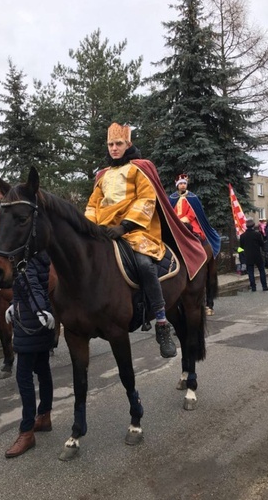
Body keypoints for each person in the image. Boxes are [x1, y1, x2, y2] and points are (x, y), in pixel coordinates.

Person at [84, 123, 206, 359]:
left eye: (118, 144)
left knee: (143, 264)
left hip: (137, 231)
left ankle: (161, 321)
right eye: (110, 144)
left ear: (128, 144)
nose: (114, 148)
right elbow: (92, 204)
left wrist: (125, 226)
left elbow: (147, 199)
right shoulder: (102, 176)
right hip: (105, 232)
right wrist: (90, 227)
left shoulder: (139, 169)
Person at [4, 251, 55, 458]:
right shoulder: (37, 255)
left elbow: (32, 287)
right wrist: (13, 305)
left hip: (31, 323)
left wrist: (39, 310)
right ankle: (44, 416)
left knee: (23, 377)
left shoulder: (26, 258)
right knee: (43, 370)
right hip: (33, 318)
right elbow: (26, 288)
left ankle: (27, 431)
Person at [169, 174, 221, 315]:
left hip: (189, 223)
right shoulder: (172, 198)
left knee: (196, 235)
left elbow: (193, 213)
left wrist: (184, 220)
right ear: (177, 185)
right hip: (176, 224)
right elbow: (170, 212)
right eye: (180, 184)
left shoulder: (193, 198)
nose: (182, 186)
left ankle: (209, 303)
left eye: (184, 184)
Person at [239, 218, 268, 292]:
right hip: (257, 255)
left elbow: (241, 247)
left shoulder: (242, 236)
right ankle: (264, 286)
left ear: (246, 226)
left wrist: (241, 255)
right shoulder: (257, 234)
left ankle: (253, 287)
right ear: (253, 225)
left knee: (250, 272)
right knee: (261, 271)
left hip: (248, 256)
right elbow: (262, 244)